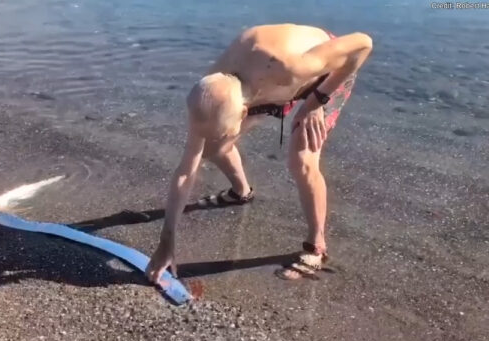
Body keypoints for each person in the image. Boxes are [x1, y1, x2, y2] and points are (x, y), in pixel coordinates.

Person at [145, 24, 373, 284]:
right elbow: (186, 170)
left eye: (227, 129)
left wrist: (315, 102)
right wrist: (166, 241)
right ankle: (241, 192)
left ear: (245, 113)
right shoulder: (209, 89)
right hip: (266, 85)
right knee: (212, 147)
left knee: (302, 162)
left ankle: (316, 245)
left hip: (326, 75)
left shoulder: (292, 66)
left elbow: (363, 43)